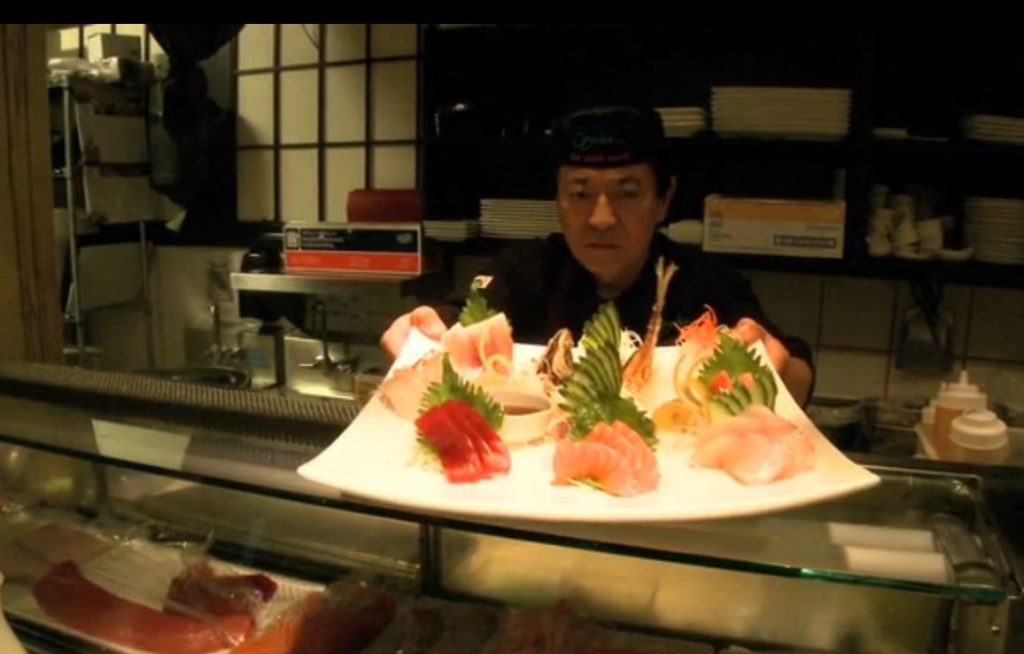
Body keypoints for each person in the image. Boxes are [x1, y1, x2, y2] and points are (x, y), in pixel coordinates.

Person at [382, 105, 814, 404]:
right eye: (580, 193)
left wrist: (775, 366)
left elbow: (791, 365)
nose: (601, 218)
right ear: (557, 200)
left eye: (627, 193)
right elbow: (464, 321)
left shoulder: (706, 281)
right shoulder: (527, 269)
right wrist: (422, 332)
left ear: (664, 200)